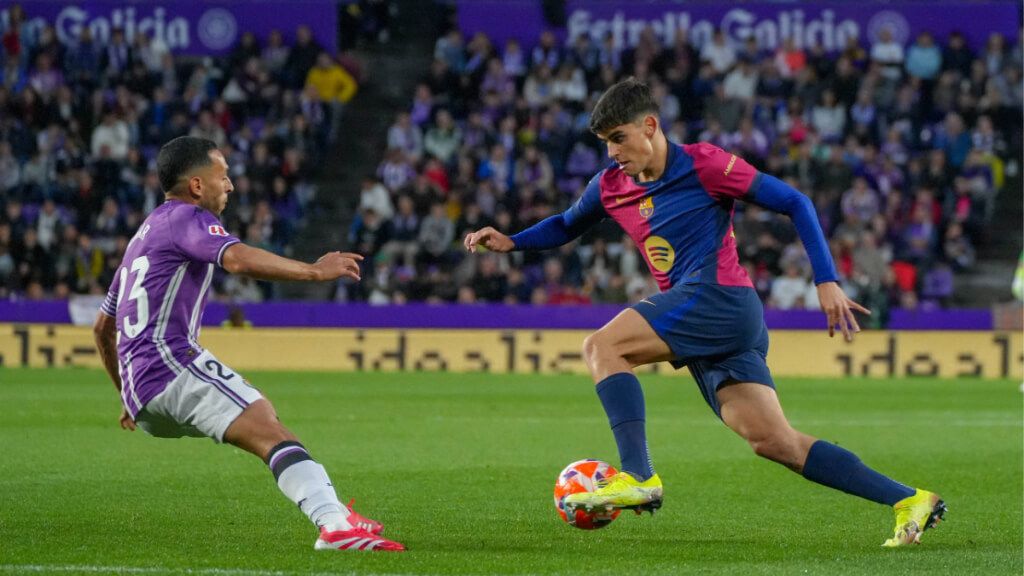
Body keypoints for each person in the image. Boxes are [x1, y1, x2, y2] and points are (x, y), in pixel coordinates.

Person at [464, 79, 944, 547]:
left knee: (602, 346)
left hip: (718, 298)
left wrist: (826, 279)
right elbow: (567, 224)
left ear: (649, 125)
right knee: (775, 442)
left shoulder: (705, 164)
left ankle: (638, 474)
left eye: (619, 139)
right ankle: (911, 499)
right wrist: (513, 242)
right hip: (715, 319)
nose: (613, 152)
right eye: (605, 143)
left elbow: (795, 202)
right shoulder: (609, 185)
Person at [92, 136, 404, 552]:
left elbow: (101, 327)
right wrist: (314, 272)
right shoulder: (189, 217)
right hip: (170, 364)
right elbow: (237, 259)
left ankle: (336, 510)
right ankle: (332, 523)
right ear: (197, 185)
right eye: (223, 176)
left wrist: (126, 396)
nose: (231, 186)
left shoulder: (141, 238)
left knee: (263, 416)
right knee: (267, 428)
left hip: (143, 394)